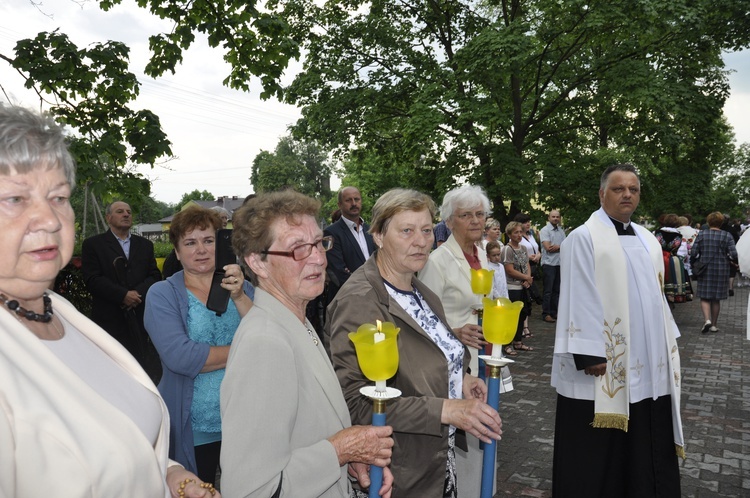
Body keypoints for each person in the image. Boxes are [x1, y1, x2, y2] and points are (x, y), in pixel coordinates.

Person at [0, 105, 217, 497]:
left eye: (58, 197)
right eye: (16, 198)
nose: (49, 219)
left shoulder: (59, 314)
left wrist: (171, 476)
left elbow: (119, 440)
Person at [326, 189, 502, 498]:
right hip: (396, 473)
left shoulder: (419, 291)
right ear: (378, 235)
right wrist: (445, 410)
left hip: (433, 463)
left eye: (425, 230)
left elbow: (425, 357)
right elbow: (356, 403)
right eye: (406, 231)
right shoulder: (361, 301)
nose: (420, 241)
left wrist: (460, 380)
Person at [220, 190, 394, 498]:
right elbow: (251, 490)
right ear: (257, 263)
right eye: (298, 248)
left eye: (318, 243)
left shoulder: (295, 321)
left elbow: (303, 436)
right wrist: (339, 451)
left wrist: (349, 463)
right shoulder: (264, 343)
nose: (318, 257)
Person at [551, 163, 684, 497]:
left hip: (647, 357)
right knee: (599, 449)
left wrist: (668, 339)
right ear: (602, 193)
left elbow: (655, 295)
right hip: (604, 361)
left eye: (634, 189)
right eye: (618, 188)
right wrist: (589, 351)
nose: (627, 194)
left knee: (643, 434)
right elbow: (577, 293)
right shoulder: (583, 237)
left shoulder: (648, 239)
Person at [144, 206, 254, 482]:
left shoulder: (245, 288)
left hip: (245, 419)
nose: (201, 249)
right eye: (190, 243)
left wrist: (240, 297)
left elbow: (268, 337)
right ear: (177, 252)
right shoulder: (163, 294)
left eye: (208, 240)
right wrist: (247, 350)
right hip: (194, 426)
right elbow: (182, 358)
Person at [418, 184, 511, 498]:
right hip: (456, 363)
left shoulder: (484, 255)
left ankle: (487, 490)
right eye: (465, 215)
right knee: (467, 437)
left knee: (489, 428)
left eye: (479, 214)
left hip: (487, 354)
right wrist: (455, 332)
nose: (475, 220)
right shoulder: (437, 261)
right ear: (449, 220)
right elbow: (424, 319)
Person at [82, 199, 163, 378]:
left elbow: (155, 275)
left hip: (140, 317)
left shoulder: (145, 245)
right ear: (108, 217)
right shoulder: (93, 245)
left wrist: (136, 295)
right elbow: (92, 279)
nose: (126, 214)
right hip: (109, 318)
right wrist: (122, 295)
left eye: (128, 211)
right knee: (112, 370)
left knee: (140, 368)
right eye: (120, 211)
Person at [690, 211, 738, 334]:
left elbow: (694, 252)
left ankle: (707, 320)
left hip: (704, 269)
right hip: (721, 269)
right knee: (716, 299)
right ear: (721, 223)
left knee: (705, 297)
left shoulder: (702, 234)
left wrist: (694, 262)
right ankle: (714, 325)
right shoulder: (727, 236)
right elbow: (733, 254)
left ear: (708, 222)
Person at [324, 186, 376, 295]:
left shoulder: (370, 230)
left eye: (357, 199)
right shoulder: (330, 233)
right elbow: (338, 271)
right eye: (348, 200)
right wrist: (367, 288)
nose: (354, 203)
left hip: (374, 295)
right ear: (339, 205)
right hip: (348, 297)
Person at [501, 221, 534, 355]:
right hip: (512, 287)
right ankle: (507, 344)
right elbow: (509, 270)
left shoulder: (524, 248)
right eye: (516, 232)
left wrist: (528, 278)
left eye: (521, 232)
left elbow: (527, 264)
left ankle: (518, 341)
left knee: (522, 314)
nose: (519, 235)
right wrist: (525, 278)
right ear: (509, 234)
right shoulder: (507, 249)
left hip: (523, 287)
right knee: (511, 317)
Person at [654, 214, 687, 304]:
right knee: (673, 280)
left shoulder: (656, 232)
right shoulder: (679, 235)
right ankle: (672, 296)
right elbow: (682, 252)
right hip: (672, 260)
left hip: (658, 258)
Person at [539, 209, 565, 321]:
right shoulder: (545, 230)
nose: (555, 218)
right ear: (549, 218)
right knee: (548, 290)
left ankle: (555, 312)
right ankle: (546, 313)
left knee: (557, 290)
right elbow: (548, 248)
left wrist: (558, 247)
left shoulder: (561, 231)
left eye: (557, 217)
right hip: (549, 264)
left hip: (559, 263)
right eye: (553, 216)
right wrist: (560, 246)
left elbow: (566, 246)